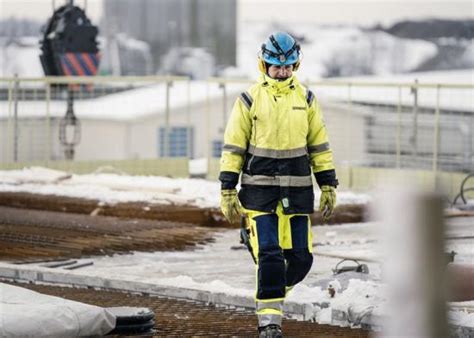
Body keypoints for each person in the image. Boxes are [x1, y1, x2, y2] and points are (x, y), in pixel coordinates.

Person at [219, 31, 338, 338]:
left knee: (301, 259)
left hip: (297, 192)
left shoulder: (307, 99)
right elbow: (233, 147)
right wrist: (228, 188)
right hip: (259, 192)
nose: (282, 72)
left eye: (288, 67)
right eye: (276, 66)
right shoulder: (248, 100)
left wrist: (328, 184)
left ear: (295, 66)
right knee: (271, 254)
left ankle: (268, 285)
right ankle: (270, 322)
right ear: (264, 65)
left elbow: (319, 146)